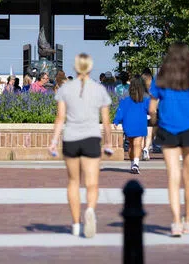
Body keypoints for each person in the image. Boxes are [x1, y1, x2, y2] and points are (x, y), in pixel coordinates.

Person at [149, 43, 189, 237]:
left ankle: (176, 222)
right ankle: (188, 219)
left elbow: (152, 108)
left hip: (168, 129)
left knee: (173, 177)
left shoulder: (160, 78)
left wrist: (155, 119)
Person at [48, 53, 113, 238]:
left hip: (71, 139)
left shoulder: (65, 89)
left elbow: (60, 118)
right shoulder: (99, 90)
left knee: (73, 182)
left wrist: (53, 142)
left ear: (76, 67)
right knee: (92, 183)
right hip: (91, 139)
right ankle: (90, 210)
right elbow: (106, 122)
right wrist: (108, 142)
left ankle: (76, 223)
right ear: (90, 67)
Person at [113, 76, 150, 174]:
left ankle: (133, 163)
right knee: (137, 144)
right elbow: (150, 110)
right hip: (140, 122)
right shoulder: (145, 98)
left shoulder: (125, 98)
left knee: (131, 145)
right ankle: (136, 164)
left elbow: (120, 110)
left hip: (128, 122)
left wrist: (116, 121)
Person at [141, 68, 154, 160]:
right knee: (149, 134)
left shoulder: (139, 93)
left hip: (140, 115)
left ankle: (142, 150)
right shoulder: (151, 93)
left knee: (141, 135)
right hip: (149, 115)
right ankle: (146, 149)